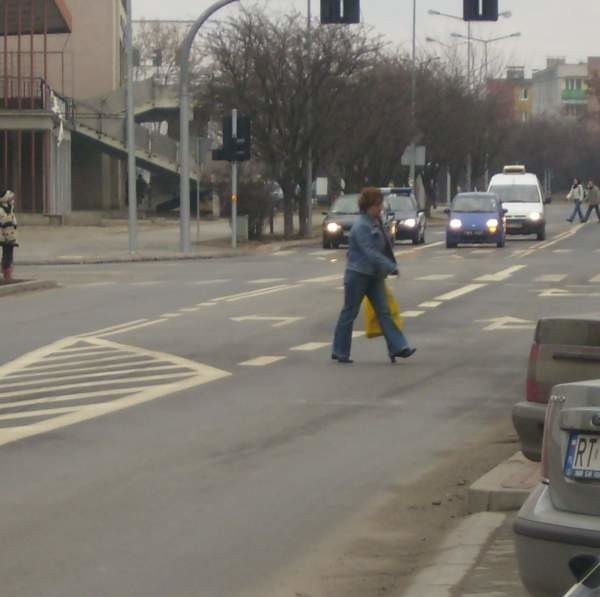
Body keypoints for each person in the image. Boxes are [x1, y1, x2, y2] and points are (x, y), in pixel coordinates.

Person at [332, 187, 416, 364]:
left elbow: (385, 246)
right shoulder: (361, 226)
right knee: (350, 312)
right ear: (369, 206)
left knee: (384, 313)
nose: (381, 207)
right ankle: (340, 351)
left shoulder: (376, 222)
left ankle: (399, 347)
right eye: (378, 205)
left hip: (375, 276)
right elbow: (369, 252)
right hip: (358, 275)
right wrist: (390, 266)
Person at [0, 190, 17, 280]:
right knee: (6, 254)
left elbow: (13, 220)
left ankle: (8, 270)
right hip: (3, 235)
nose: (12, 200)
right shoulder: (1, 209)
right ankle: (6, 271)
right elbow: (3, 222)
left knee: (9, 253)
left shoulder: (10, 208)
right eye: (10, 198)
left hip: (11, 235)